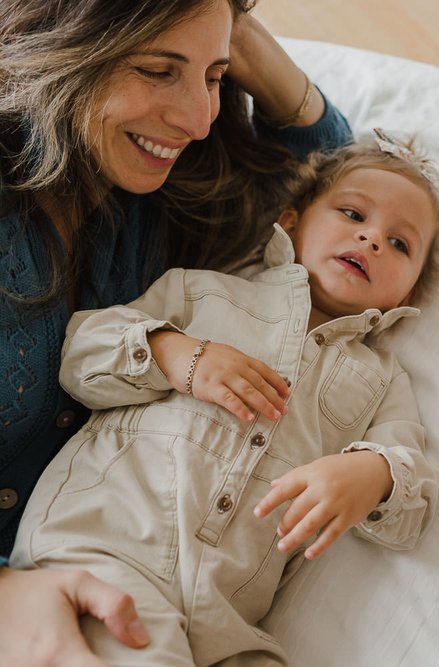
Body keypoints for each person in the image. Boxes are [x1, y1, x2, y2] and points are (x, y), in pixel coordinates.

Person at [0, 0, 354, 663]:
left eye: (216, 78)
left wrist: (233, 27)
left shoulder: (155, 202)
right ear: (63, 43)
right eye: (158, 70)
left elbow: (336, 172)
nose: (196, 118)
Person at [11, 134, 439, 665]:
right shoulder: (202, 292)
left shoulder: (382, 380)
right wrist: (177, 354)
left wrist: (374, 475)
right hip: (107, 549)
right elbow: (81, 356)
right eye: (353, 213)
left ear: (411, 292)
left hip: (226, 622)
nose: (373, 238)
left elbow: (414, 499)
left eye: (401, 244)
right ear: (291, 222)